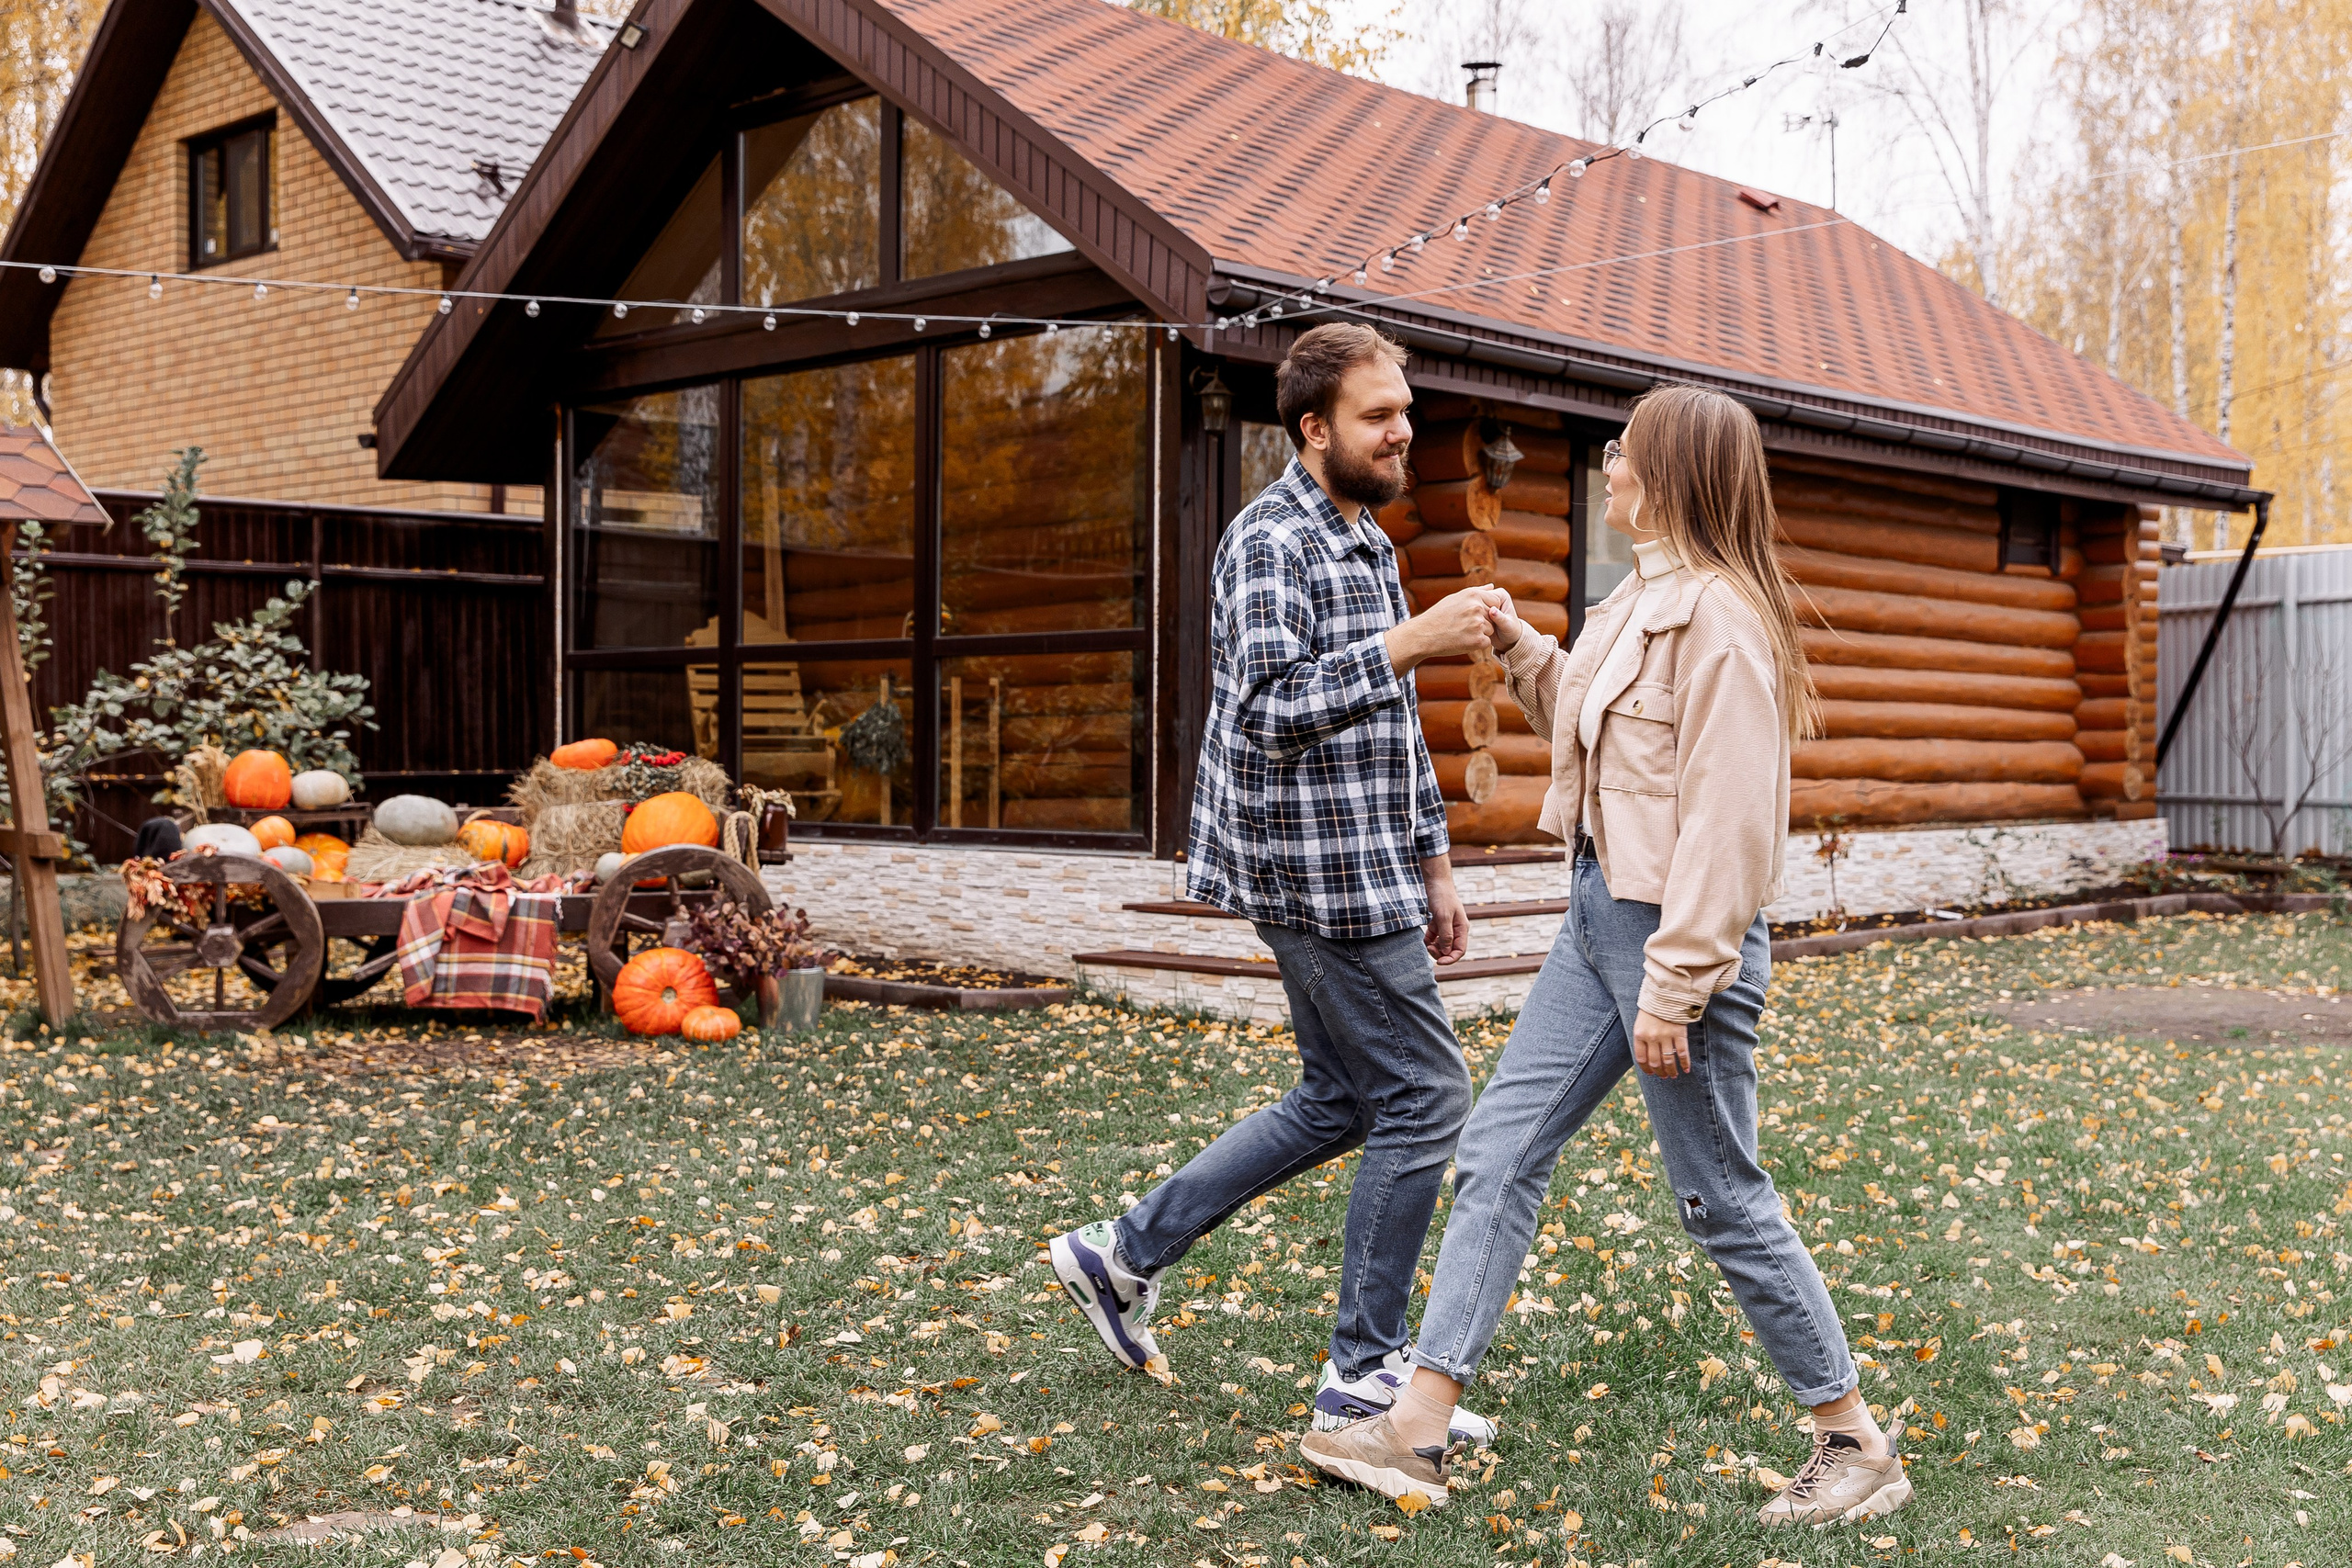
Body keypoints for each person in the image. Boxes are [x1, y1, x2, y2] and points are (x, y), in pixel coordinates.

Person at [1301, 385, 1912, 1528]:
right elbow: (1591, 729)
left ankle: (1853, 1443)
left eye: (1625, 451)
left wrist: (1676, 985)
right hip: (1597, 923)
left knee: (1719, 1196)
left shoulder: (1722, 620)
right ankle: (1416, 1429)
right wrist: (1525, 646)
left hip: (1676, 943)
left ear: (1671, 473)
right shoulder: (1642, 598)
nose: (1610, 465)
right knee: (1496, 1150)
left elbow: (1728, 829)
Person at [1049, 322, 1505, 1446]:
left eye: (1404, 410)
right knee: (1425, 1097)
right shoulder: (1269, 543)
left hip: (1374, 855)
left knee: (1341, 1100)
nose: (1404, 430)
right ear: (1313, 429)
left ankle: (1123, 1252)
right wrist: (1411, 643)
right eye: (1377, 415)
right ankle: (1364, 1372)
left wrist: (1435, 859)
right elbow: (1266, 712)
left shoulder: (1366, 539)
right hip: (1312, 869)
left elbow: (1392, 729)